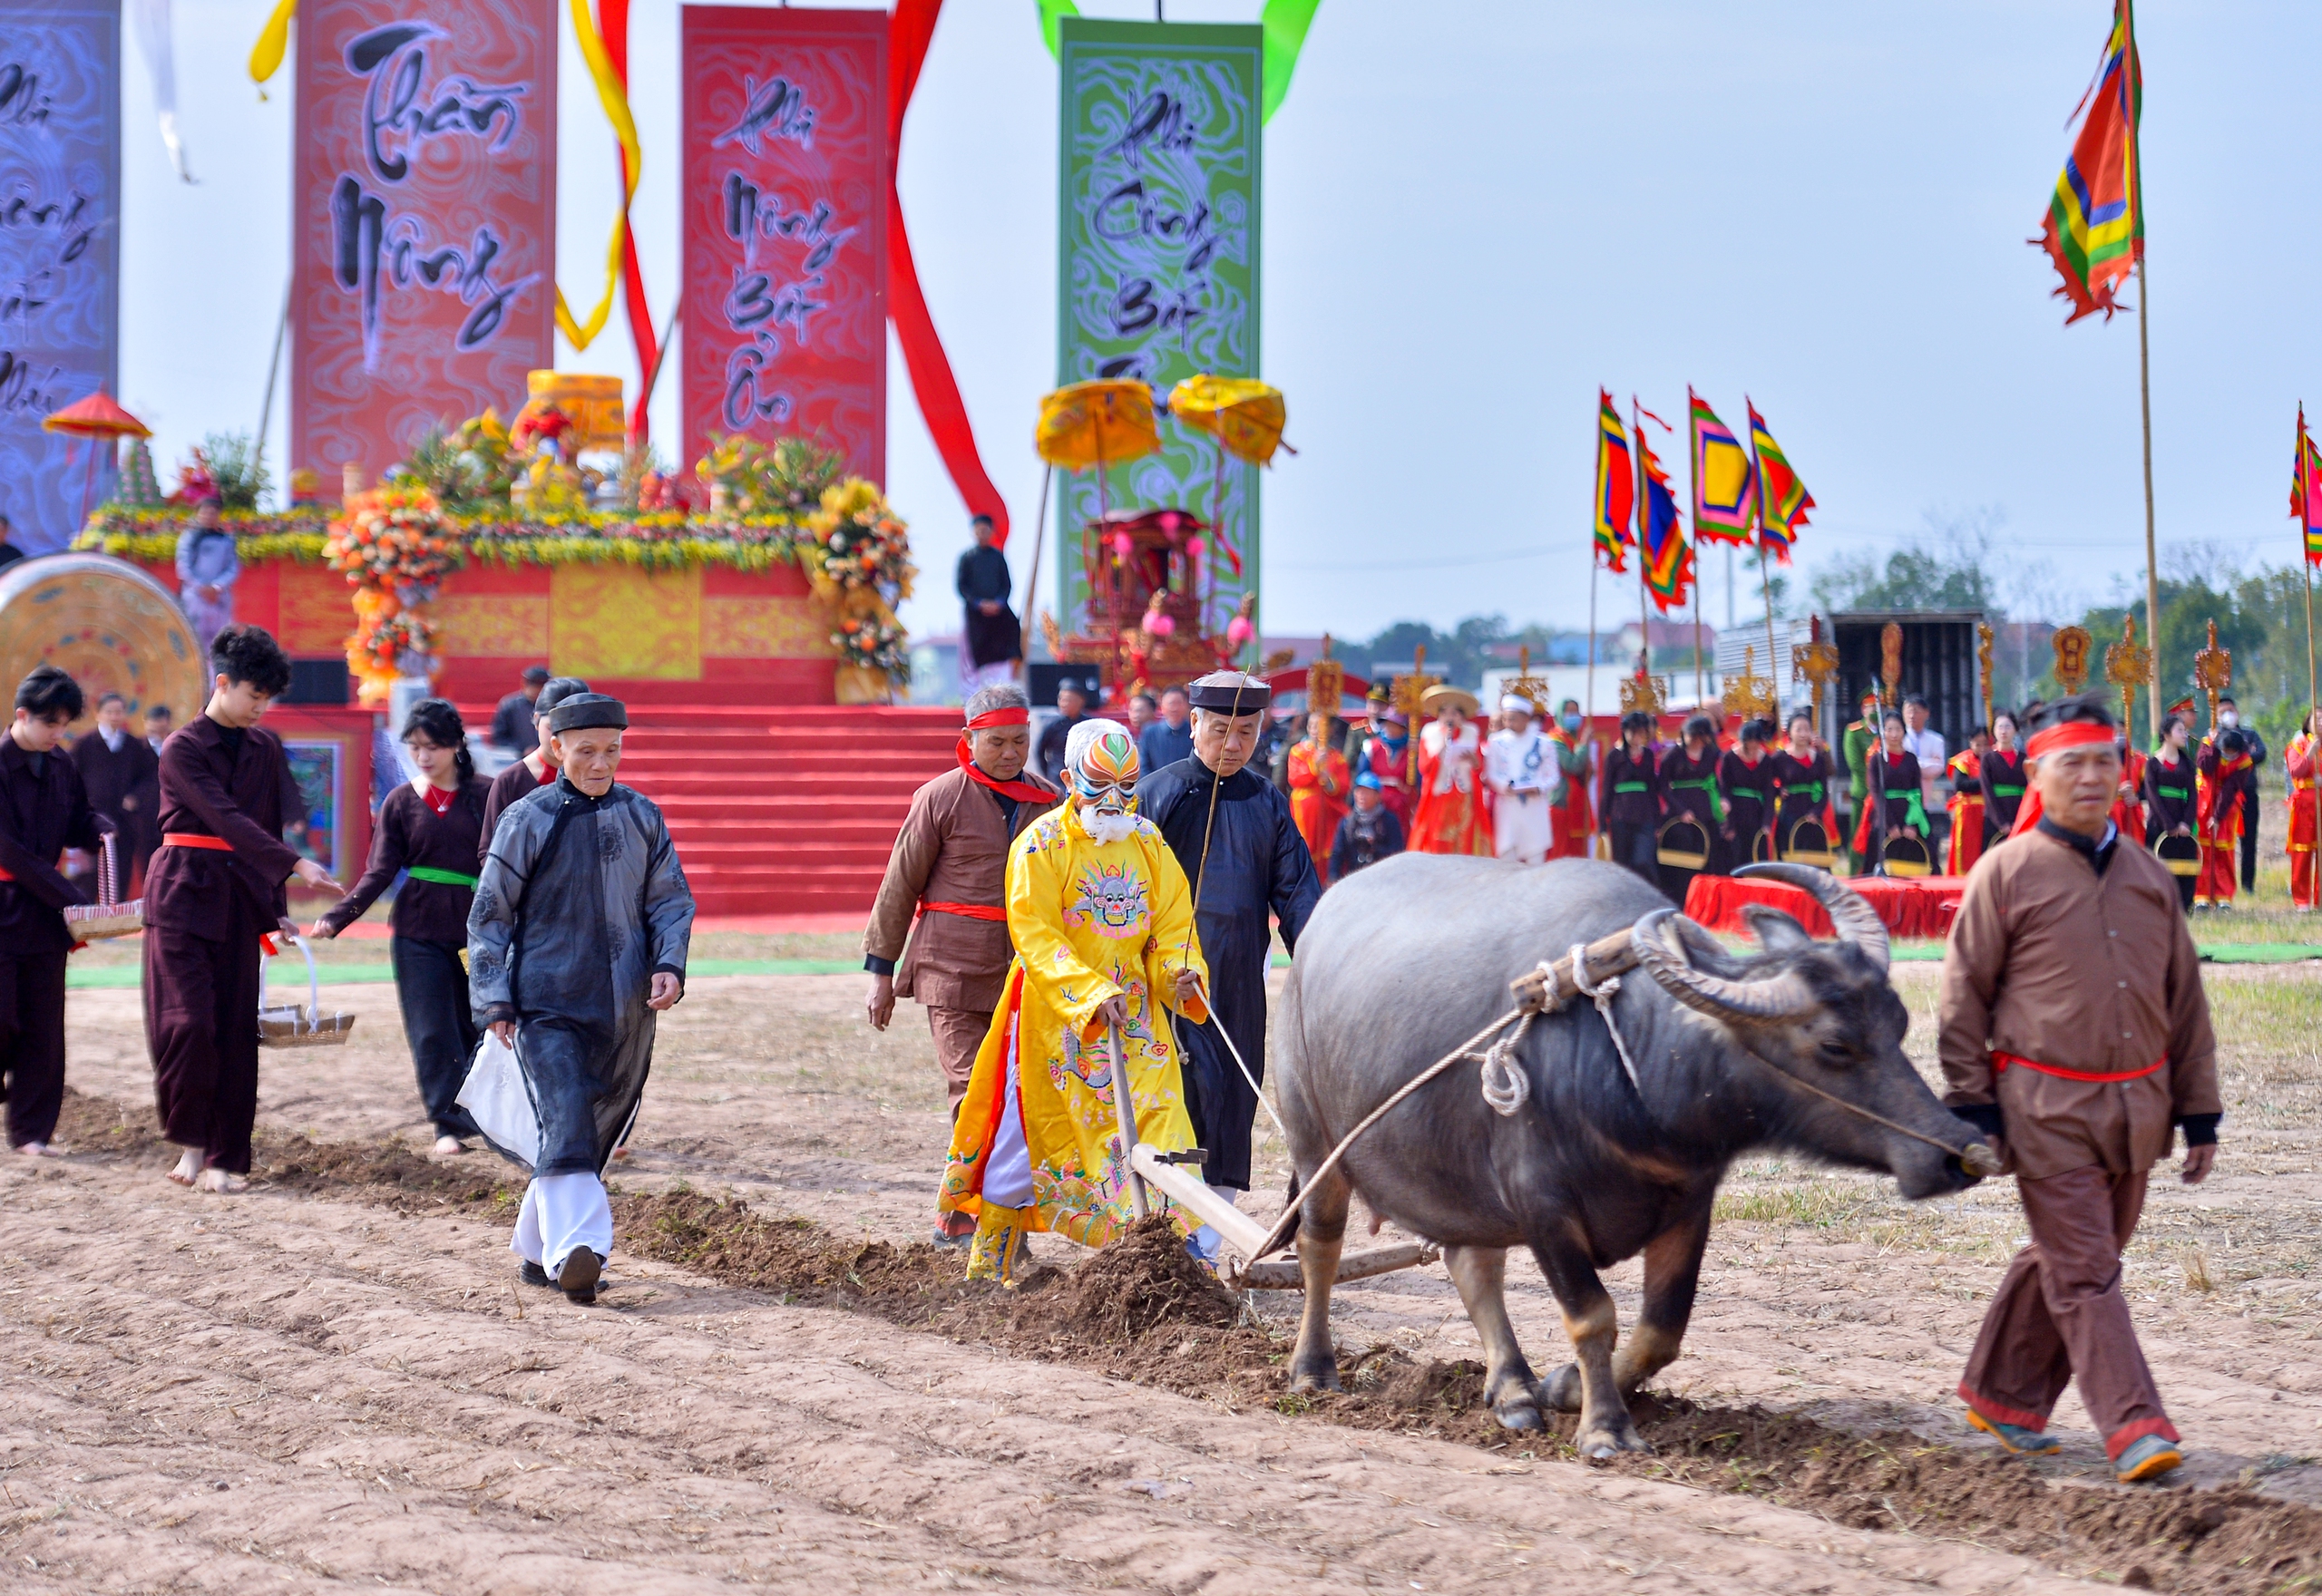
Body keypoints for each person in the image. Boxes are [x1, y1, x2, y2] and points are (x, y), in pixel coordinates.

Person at [1940, 693, 2218, 1485]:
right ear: (2037, 773)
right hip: (2041, 1109)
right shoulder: (2006, 872)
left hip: (2138, 1112)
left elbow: (2185, 1003)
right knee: (2089, 1269)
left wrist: (2199, 1114)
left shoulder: (2148, 877)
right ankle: (2135, 1425)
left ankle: (2000, 1396)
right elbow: (1962, 1000)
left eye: (2106, 760)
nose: (2093, 777)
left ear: (2124, 771)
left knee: (2073, 1259)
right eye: (2073, 763)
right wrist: (1974, 1109)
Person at [936, 720, 1208, 1281]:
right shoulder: (1040, 844)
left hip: (1136, 1018)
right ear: (1066, 779)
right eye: (1099, 786)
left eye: (1128, 788)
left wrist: (1179, 973)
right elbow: (1035, 932)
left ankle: (1172, 1259)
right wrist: (1088, 992)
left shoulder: (1150, 844)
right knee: (1030, 1133)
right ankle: (992, 1259)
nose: (1115, 802)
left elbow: (1172, 926)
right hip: (1056, 1019)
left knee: (1163, 1129)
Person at [470, 692, 695, 1305]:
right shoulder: (527, 819)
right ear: (556, 747)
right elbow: (489, 916)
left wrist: (669, 963)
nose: (601, 762)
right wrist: (494, 1000)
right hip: (543, 1001)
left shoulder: (643, 815)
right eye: (586, 750)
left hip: (624, 1007)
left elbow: (669, 899)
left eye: (612, 750)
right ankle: (580, 1251)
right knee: (567, 1117)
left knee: (588, 1129)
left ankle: (537, 1248)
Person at [145, 625, 343, 1193]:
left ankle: (227, 1158)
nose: (261, 708)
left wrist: (274, 909)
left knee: (235, 1031)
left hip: (238, 898)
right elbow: (224, 817)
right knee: (188, 1024)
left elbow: (264, 825)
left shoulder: (264, 747)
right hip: (182, 893)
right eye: (254, 695)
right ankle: (191, 1145)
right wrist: (298, 865)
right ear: (223, 682)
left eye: (268, 699)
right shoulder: (182, 747)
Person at [1137, 671, 1322, 1235]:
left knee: (1232, 1098)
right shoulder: (1156, 794)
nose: (1234, 745)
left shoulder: (1268, 802)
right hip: (1162, 977)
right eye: (1220, 730)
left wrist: (1318, 964)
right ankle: (1160, 1229)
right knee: (1173, 1094)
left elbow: (1296, 893)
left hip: (1238, 972)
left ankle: (1211, 1240)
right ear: (1193, 724)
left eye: (1246, 732)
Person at [863, 684, 1061, 1202]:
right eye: (996, 742)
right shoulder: (939, 797)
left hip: (1025, 974)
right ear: (969, 739)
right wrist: (881, 974)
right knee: (973, 1090)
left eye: (1020, 741)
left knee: (1022, 1093)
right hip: (948, 967)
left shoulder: (1049, 803)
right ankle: (967, 1203)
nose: (1011, 753)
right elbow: (899, 884)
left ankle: (1007, 1203)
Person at [311, 698, 489, 1154]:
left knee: (481, 1026)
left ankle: (489, 1117)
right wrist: (338, 917)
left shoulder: (488, 795)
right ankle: (446, 1125)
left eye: (433, 746)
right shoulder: (401, 801)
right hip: (417, 929)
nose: (424, 756)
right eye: (415, 747)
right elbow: (379, 871)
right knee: (431, 1028)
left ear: (456, 746)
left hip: (479, 930)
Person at [1, 667, 109, 1156]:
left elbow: (76, 819)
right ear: (21, 716)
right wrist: (72, 898)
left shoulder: (61, 764)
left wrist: (99, 827)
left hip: (44, 918)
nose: (58, 734)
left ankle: (32, 1134)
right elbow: (12, 853)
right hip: (7, 904)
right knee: (4, 1020)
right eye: (50, 724)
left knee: (45, 1028)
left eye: (65, 724)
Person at [480, 676, 590, 864]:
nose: (562, 738)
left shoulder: (596, 777)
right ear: (537, 720)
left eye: (575, 729)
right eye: (553, 727)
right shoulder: (511, 781)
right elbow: (489, 852)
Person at [71, 690, 161, 891]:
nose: (114, 716)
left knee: (121, 871)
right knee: (90, 873)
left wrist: (135, 796)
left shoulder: (133, 745)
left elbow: (148, 775)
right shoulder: (84, 744)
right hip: (92, 817)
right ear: (98, 714)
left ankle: (116, 918)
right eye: (109, 712)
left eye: (119, 712)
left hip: (124, 819)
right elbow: (71, 777)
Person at [1411, 686, 1490, 855]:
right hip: (1439, 796)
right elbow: (1423, 767)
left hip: (1463, 795)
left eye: (1455, 713)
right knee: (1438, 838)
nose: (1450, 717)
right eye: (1445, 713)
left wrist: (1473, 759)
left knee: (1464, 839)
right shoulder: (1430, 735)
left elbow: (1480, 767)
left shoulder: (1471, 734)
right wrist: (1442, 748)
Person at [1485, 695, 1557, 866]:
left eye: (1513, 719)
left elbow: (1553, 776)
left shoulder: (1544, 743)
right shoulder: (1496, 742)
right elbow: (1491, 773)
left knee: (1536, 859)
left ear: (1526, 718)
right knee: (1507, 858)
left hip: (1535, 807)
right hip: (1508, 807)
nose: (1509, 723)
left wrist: (1538, 788)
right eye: (1506, 719)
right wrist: (1504, 787)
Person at [1854, 711, 1929, 872]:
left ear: (1904, 731)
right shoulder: (1876, 760)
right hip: (1884, 816)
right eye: (1889, 729)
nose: (1894, 734)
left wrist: (1912, 824)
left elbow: (1917, 792)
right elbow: (1875, 793)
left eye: (1898, 729)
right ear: (1882, 732)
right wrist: (1890, 824)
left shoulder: (1910, 759)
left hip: (1909, 814)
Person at [1657, 713, 1722, 894]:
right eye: (1694, 736)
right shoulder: (1672, 756)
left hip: (1705, 811)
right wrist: (1681, 810)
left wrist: (1722, 799)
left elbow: (1718, 780)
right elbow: (1662, 786)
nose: (1697, 741)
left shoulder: (1712, 755)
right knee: (1682, 860)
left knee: (1708, 856)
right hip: (1681, 814)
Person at [955, 514, 1021, 692]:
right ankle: (971, 697)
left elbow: (1007, 585)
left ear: (992, 532)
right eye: (979, 530)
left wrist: (998, 603)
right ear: (973, 532)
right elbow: (961, 587)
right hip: (976, 615)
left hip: (998, 614)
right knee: (972, 657)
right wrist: (979, 604)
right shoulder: (967, 558)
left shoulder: (998, 557)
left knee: (1010, 633)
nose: (982, 533)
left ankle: (1002, 692)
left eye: (986, 530)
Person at [1285, 709, 1351, 882]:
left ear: (1330, 729)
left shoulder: (1337, 757)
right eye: (1312, 725)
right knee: (1305, 846)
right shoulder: (1298, 752)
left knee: (1328, 848)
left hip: (1329, 809)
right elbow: (1295, 778)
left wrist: (1328, 778)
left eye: (1320, 726)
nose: (1314, 729)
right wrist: (1315, 766)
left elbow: (1343, 786)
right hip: (1305, 810)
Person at [2142, 713, 2198, 912]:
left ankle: (2184, 907)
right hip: (2160, 824)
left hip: (2184, 826)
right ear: (2166, 735)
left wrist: (2185, 823)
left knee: (2185, 867)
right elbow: (2152, 797)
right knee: (2158, 866)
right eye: (2180, 731)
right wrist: (2169, 825)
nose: (2185, 735)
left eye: (2185, 730)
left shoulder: (2188, 765)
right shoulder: (2152, 764)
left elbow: (2193, 796)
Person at [1769, 711, 1839, 867]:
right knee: (1789, 855)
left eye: (1807, 729)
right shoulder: (1780, 758)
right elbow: (1766, 782)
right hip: (1790, 812)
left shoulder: (1818, 758)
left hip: (1812, 813)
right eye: (1798, 729)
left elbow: (1824, 789)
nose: (1803, 733)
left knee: (1815, 858)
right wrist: (1778, 791)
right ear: (1790, 732)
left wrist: (1816, 812)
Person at [2193, 726, 2252, 910]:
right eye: (2224, 752)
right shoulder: (2208, 745)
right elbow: (2205, 766)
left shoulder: (2245, 761)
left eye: (2231, 753)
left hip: (2226, 807)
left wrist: (2218, 817)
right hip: (2203, 801)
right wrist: (2213, 748)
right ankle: (2201, 894)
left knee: (2223, 851)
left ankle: (2223, 895)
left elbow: (2230, 789)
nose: (2227, 756)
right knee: (2203, 849)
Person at [1599, 711, 1661, 882]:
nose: (1637, 737)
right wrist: (1602, 824)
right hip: (1621, 816)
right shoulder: (1614, 756)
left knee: (1643, 860)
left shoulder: (1648, 755)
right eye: (1633, 732)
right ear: (1625, 732)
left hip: (1644, 816)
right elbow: (1606, 791)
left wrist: (1657, 821)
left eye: (1641, 733)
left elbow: (1652, 789)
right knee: (1622, 865)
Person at [174, 498, 239, 655]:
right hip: (195, 596)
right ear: (198, 514)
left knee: (220, 641)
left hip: (219, 597)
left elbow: (233, 567)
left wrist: (217, 587)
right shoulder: (189, 538)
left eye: (213, 513)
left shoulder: (226, 540)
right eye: (206, 512)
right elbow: (183, 566)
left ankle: (216, 677)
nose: (209, 516)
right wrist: (201, 587)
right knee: (194, 640)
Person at [2217, 696, 2267, 895]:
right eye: (2222, 712)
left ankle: (2247, 885)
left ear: (2236, 711)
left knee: (2249, 841)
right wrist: (2245, 757)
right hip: (2223, 799)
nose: (2227, 715)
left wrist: (2239, 755)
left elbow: (2261, 753)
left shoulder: (2249, 734)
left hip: (2247, 796)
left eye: (2230, 710)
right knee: (2221, 842)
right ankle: (2221, 883)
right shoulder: (2215, 736)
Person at [1718, 716, 1775, 868]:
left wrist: (1767, 822)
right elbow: (1724, 787)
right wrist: (1729, 823)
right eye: (1749, 741)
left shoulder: (1766, 761)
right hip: (1735, 811)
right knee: (1735, 855)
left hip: (1756, 812)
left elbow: (1769, 792)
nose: (1753, 745)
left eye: (1756, 741)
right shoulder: (1729, 758)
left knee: (1757, 854)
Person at [1331, 767, 1406, 880]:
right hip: (1354, 876)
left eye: (1367, 792)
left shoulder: (1389, 821)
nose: (1362, 796)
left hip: (1383, 876)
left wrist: (1374, 848)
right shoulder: (1347, 822)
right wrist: (1333, 876)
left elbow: (1397, 852)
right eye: (1359, 791)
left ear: (1378, 796)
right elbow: (1338, 853)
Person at [1352, 704, 1414, 832]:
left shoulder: (1411, 752)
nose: (1389, 728)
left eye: (1394, 725)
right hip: (1376, 800)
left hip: (1401, 804)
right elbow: (1362, 777)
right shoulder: (1371, 747)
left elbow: (1415, 783)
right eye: (1387, 724)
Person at [1547, 700, 1595, 859]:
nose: (1573, 716)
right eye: (1569, 712)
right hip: (1561, 803)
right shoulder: (1555, 740)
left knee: (1578, 853)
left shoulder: (1573, 740)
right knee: (1561, 853)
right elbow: (1571, 765)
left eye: (1576, 712)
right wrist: (1584, 745)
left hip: (1577, 803)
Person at [1840, 691, 1882, 870]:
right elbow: (1856, 764)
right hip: (1863, 793)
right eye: (1871, 707)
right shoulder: (1854, 732)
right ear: (1863, 709)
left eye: (1878, 707)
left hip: (1883, 795)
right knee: (1859, 837)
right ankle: (1856, 874)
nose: (1874, 711)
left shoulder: (1887, 732)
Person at [1901, 694, 1947, 854]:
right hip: (1902, 800)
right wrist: (1925, 763)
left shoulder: (1936, 740)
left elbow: (1938, 767)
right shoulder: (1899, 739)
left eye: (1917, 711)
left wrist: (1912, 765)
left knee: (1928, 844)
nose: (1912, 716)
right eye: (1908, 711)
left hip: (1924, 800)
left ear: (1926, 713)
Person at [2287, 707, 2318, 912]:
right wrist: (2311, 753)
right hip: (2304, 806)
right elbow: (2296, 771)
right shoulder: (2298, 745)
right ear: (2308, 722)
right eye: (2319, 719)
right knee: (2302, 853)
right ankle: (2302, 901)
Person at [1946, 727, 1989, 878]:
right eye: (1978, 744)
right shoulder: (1963, 761)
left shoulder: (1994, 759)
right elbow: (1961, 785)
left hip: (1989, 811)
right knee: (1966, 849)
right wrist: (1985, 781)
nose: (1983, 748)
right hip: (1968, 811)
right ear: (1971, 743)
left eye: (1985, 744)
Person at [1037, 675, 1092, 788]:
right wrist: (1047, 774)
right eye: (1061, 699)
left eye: (1068, 700)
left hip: (1083, 778)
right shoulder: (1053, 724)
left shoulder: (1089, 724)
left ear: (1081, 701)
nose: (1064, 703)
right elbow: (1039, 751)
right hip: (1057, 778)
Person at [1981, 712, 2027, 846]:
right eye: (2000, 727)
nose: (2003, 731)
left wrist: (2023, 818)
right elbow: (1987, 790)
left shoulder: (2024, 758)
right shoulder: (1988, 758)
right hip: (1996, 815)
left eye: (2008, 727)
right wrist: (2001, 822)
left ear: (2015, 730)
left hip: (2019, 812)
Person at [1137, 685, 1194, 776]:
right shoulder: (1150, 732)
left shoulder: (1193, 731)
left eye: (1179, 703)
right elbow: (1144, 765)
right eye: (1171, 703)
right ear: (1162, 706)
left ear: (1186, 705)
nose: (1175, 708)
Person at [491, 667, 550, 754]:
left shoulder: (551, 705)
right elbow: (498, 737)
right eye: (533, 684)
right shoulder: (510, 705)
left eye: (541, 685)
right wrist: (521, 750)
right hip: (515, 757)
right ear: (525, 684)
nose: (537, 689)